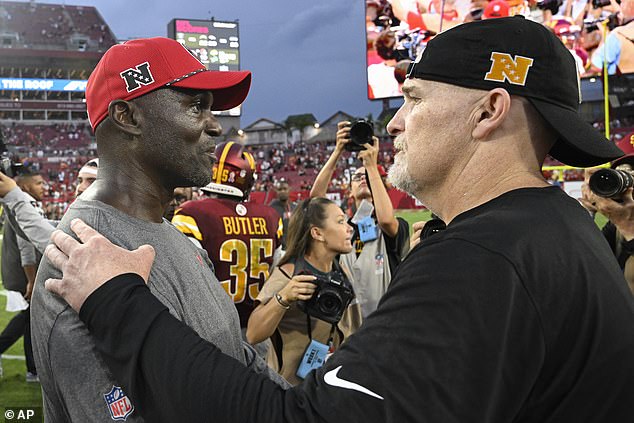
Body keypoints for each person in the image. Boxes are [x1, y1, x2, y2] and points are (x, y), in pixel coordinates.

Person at [44, 17, 634, 422]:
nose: (396, 122)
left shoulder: (490, 257)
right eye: (194, 103)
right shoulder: (557, 229)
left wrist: (117, 301)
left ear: (488, 109)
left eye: (416, 98)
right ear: (127, 116)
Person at [30, 36, 286, 423]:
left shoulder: (183, 242)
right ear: (127, 116)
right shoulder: (79, 260)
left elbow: (241, 359)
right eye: (196, 106)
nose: (217, 126)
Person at [171, 141, 283, 346]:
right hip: (259, 327)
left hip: (212, 330)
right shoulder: (271, 217)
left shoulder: (191, 214)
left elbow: (184, 278)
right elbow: (279, 272)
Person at [245, 197, 362, 385]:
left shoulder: (342, 273)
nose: (349, 228)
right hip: (291, 389)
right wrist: (283, 298)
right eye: (341, 222)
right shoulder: (287, 275)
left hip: (333, 382)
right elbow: (253, 334)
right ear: (317, 233)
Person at [311, 122, 409, 318]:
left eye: (366, 176)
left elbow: (387, 221)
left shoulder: (395, 225)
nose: (362, 178)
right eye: (357, 177)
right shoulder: (340, 226)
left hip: (386, 319)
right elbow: (315, 201)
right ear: (349, 191)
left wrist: (371, 166)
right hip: (348, 323)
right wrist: (337, 151)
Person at [0, 168, 45, 382]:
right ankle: (33, 369)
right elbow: (26, 245)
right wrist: (31, 279)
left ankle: (33, 369)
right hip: (23, 274)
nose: (43, 187)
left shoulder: (23, 201)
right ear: (25, 186)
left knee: (29, 319)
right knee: (27, 318)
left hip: (20, 273)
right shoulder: (24, 203)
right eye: (38, 183)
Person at [580, 133, 634, 295]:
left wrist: (629, 228)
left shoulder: (624, 223)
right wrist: (588, 212)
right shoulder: (616, 226)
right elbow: (587, 266)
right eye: (624, 172)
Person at [591, 0, 634, 74]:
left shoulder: (618, 35)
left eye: (621, 2)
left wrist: (604, 38)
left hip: (623, 84)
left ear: (630, 6)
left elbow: (596, 66)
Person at [268, 178, 295, 249]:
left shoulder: (294, 207)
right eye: (280, 189)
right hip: (279, 249)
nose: (282, 191)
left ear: (289, 189)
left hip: (293, 247)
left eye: (285, 189)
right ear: (276, 191)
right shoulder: (271, 209)